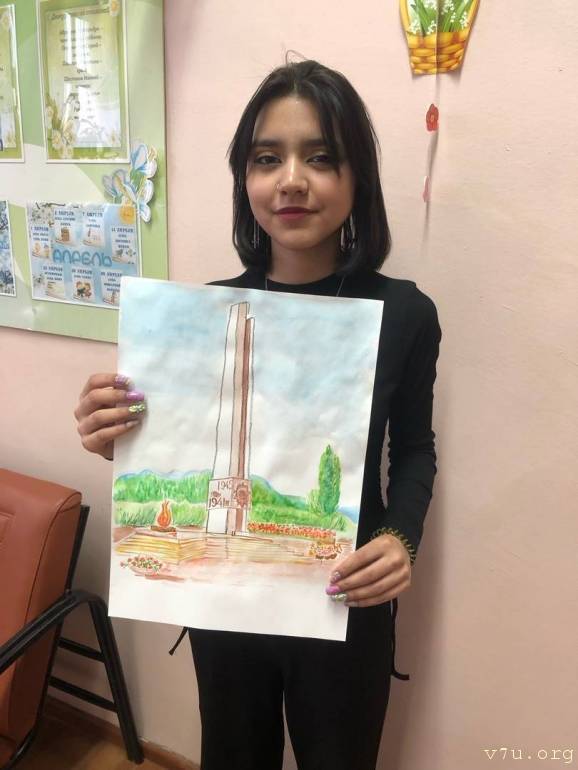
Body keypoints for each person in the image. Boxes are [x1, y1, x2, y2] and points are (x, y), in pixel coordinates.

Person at [74, 59, 441, 770]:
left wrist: (402, 537)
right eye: (267, 159)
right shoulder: (197, 315)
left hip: (345, 602)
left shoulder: (403, 313)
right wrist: (112, 434)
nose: (291, 180)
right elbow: (160, 440)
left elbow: (417, 448)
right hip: (226, 613)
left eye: (321, 158)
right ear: (245, 179)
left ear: (358, 179)